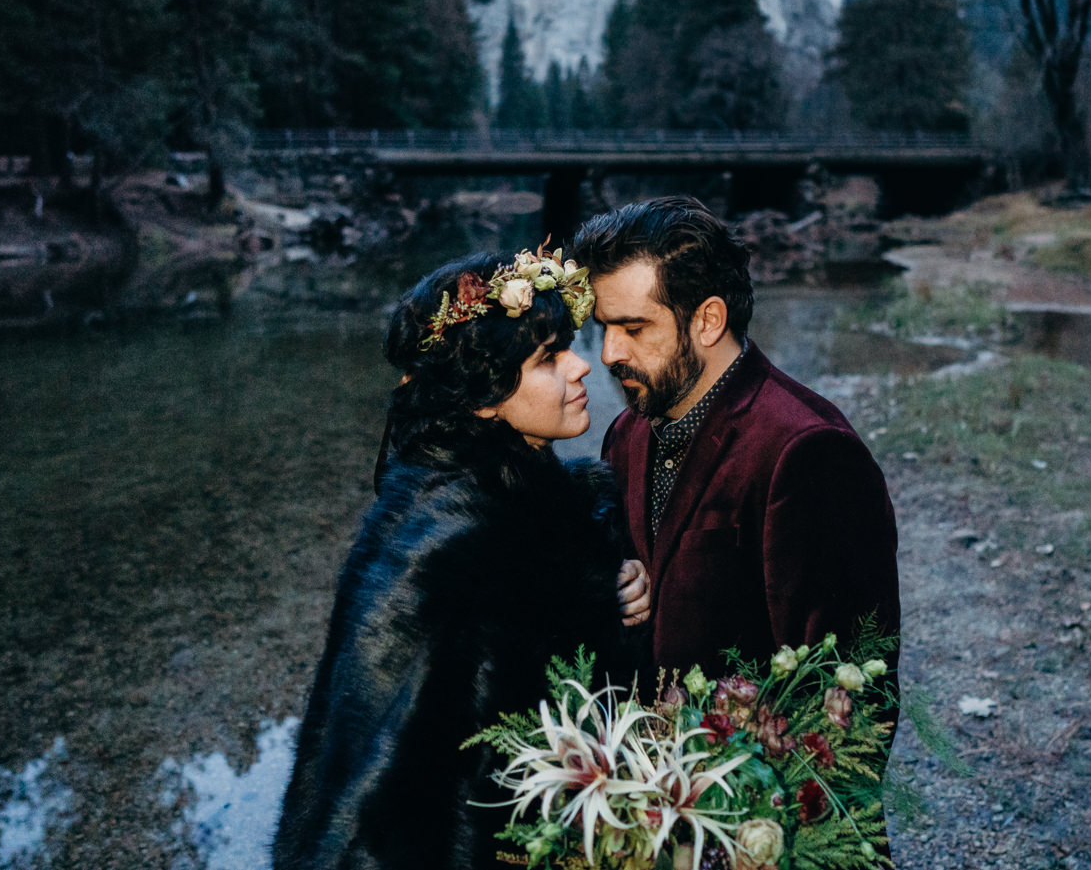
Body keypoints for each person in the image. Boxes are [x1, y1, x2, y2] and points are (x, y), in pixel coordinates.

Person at [272, 248, 648, 870]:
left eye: (568, 346)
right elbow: (377, 798)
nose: (582, 367)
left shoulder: (537, 504)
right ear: (483, 398)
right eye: (548, 358)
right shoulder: (449, 552)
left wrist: (614, 585)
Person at [571, 195, 900, 686]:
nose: (610, 353)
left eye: (634, 328)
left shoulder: (809, 451)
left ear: (708, 320)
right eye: (605, 328)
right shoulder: (626, 433)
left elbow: (849, 688)